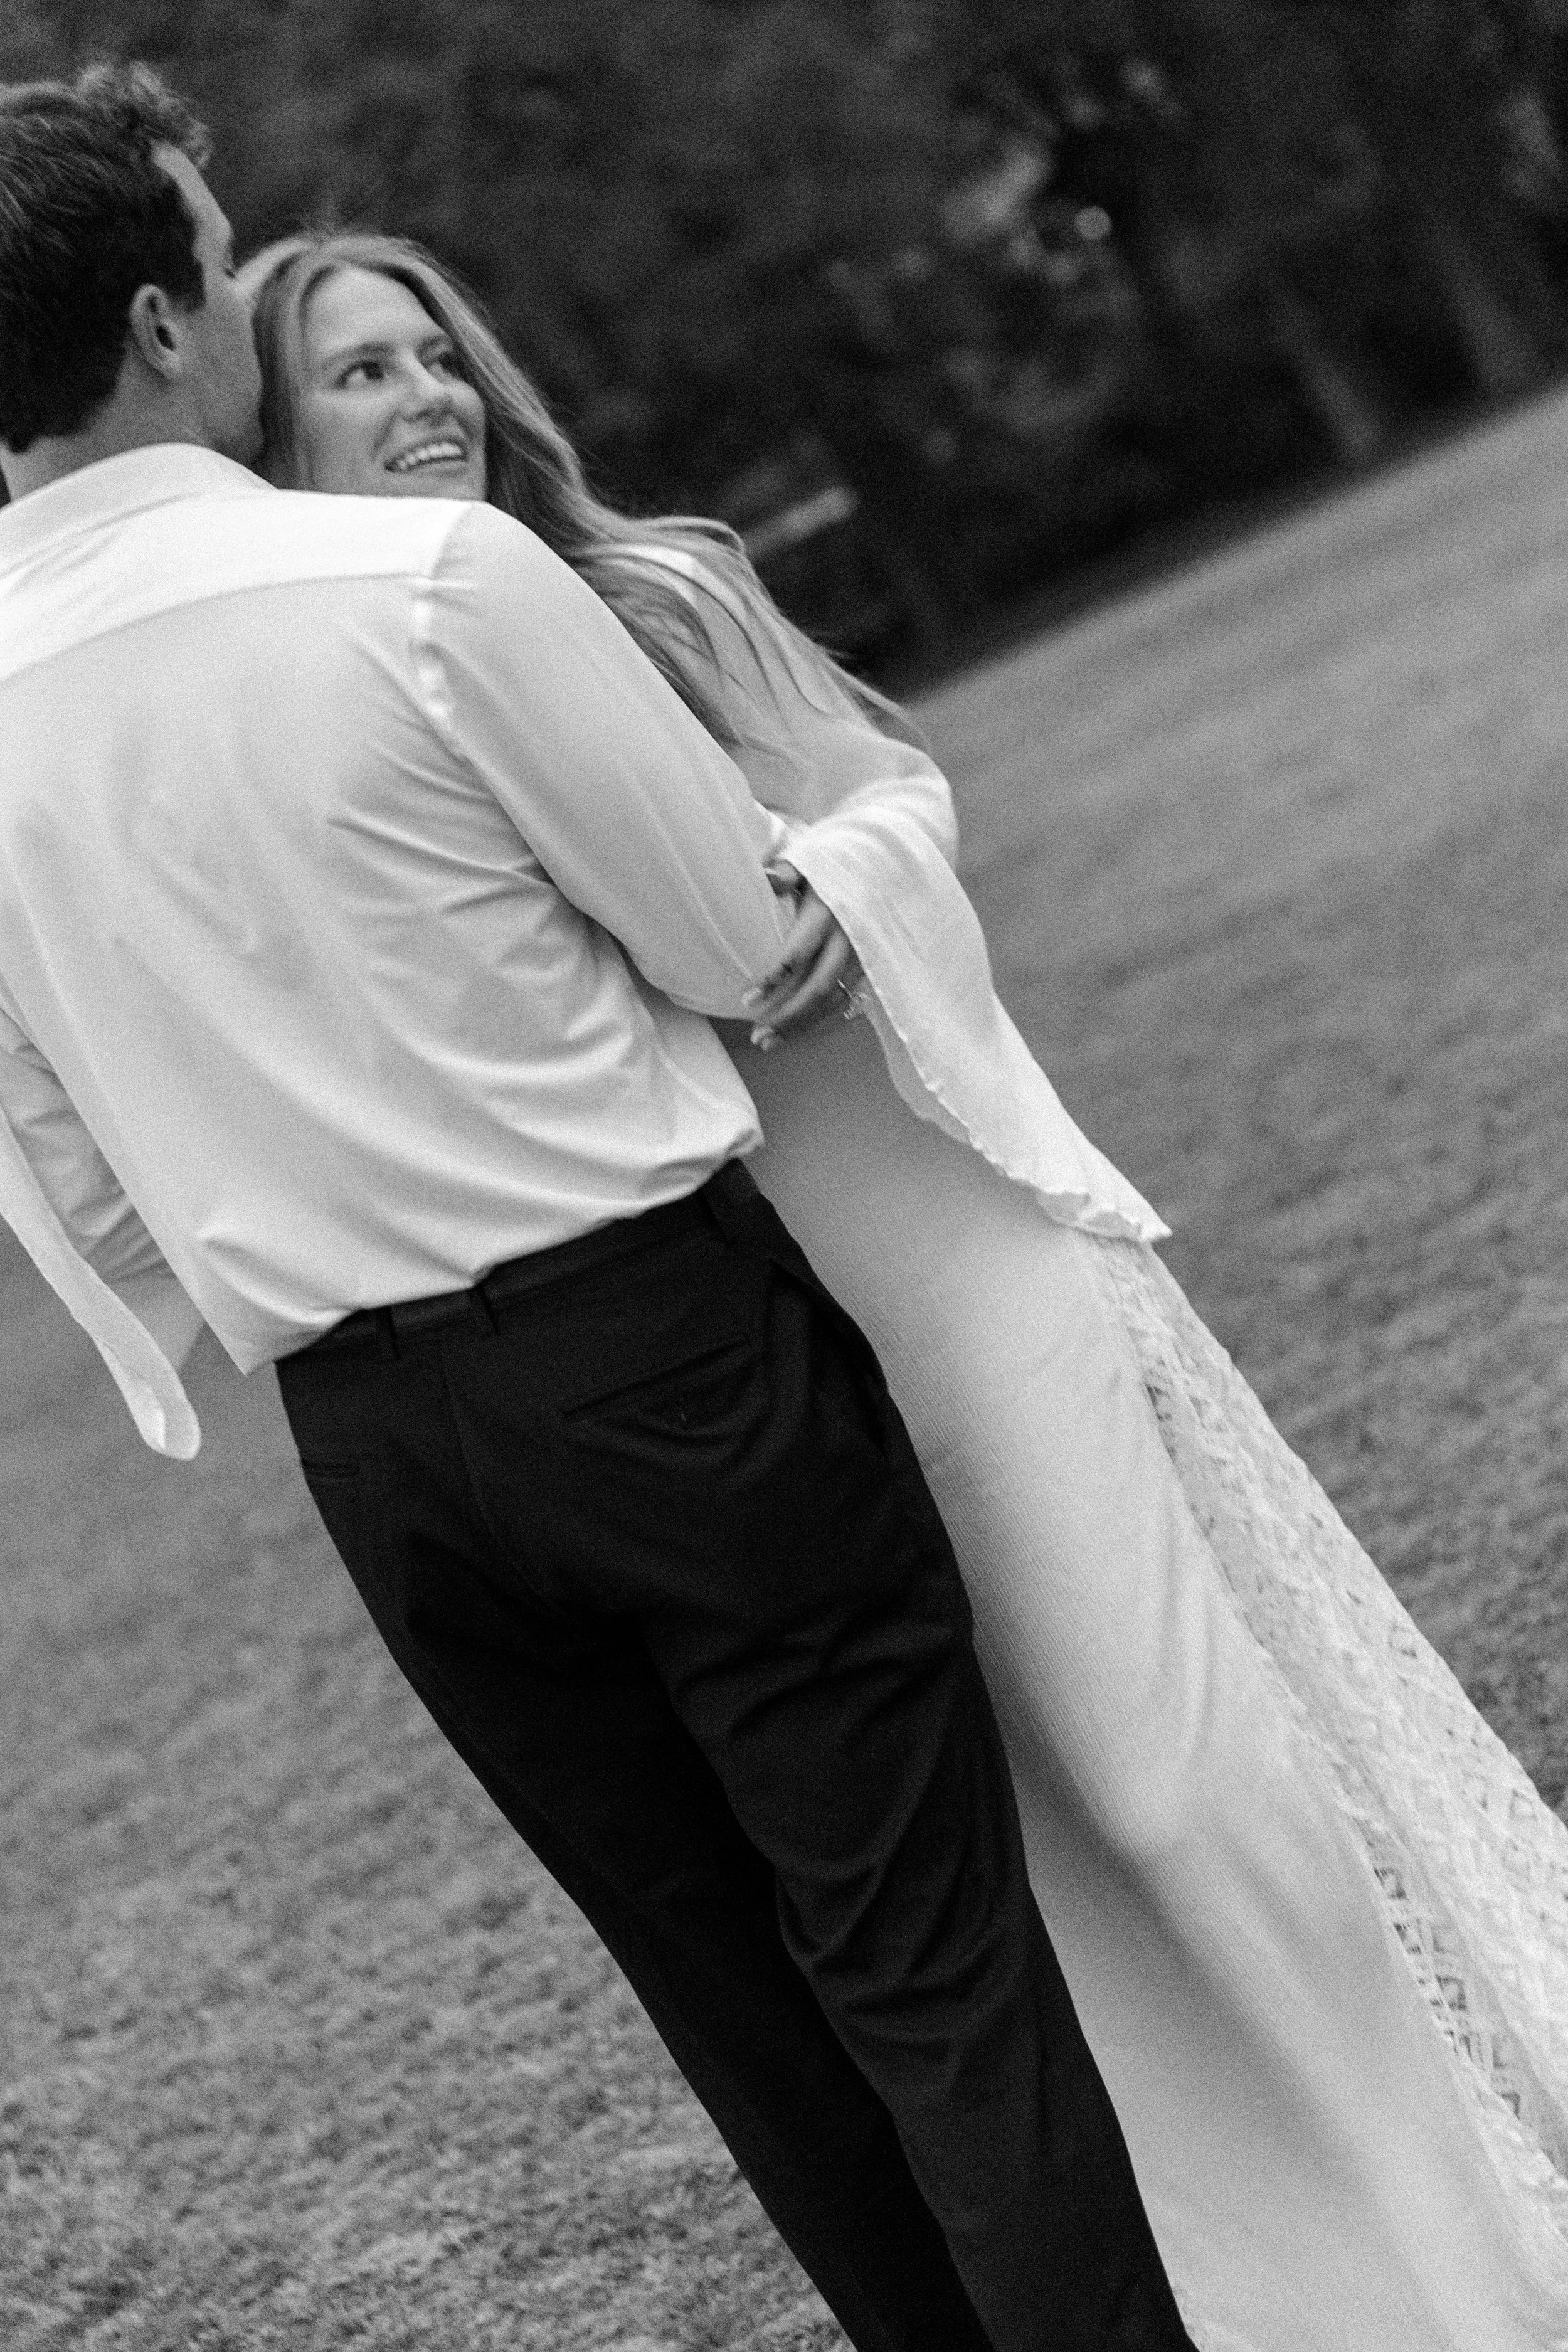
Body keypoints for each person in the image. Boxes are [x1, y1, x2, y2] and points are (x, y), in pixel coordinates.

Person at [233, 222, 1568, 2351]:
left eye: (432, 354)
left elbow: (891, 794)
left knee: (1174, 1784)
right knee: (1004, 1874)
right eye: (358, 377)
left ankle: (1475, 2249)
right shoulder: (330, 708)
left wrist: (804, 904)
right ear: (268, 443)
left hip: (940, 1255)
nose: (422, 399)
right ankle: (1281, 2298)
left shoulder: (652, 591)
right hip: (726, 1325)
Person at [0, 64, 1198, 2352]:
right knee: (934, 1975)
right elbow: (740, 942)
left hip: (381, 1452)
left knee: (744, 2024)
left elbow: (79, 1186)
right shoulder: (421, 581)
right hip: (662, 1354)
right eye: (220, 261)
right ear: (160, 321)